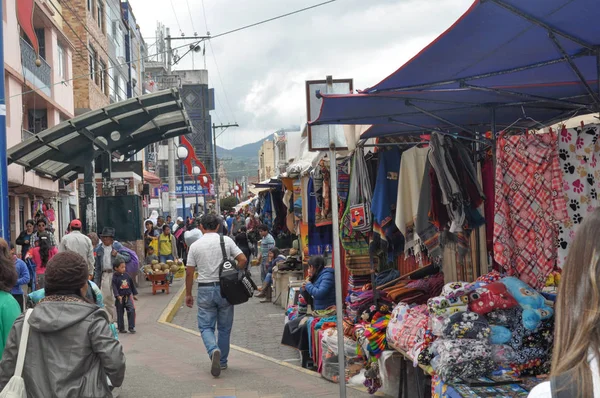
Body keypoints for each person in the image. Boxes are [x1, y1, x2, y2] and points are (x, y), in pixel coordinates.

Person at [0, 252, 126, 396]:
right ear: (84, 286)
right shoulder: (94, 320)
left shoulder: (24, 321)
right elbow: (116, 364)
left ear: (47, 285)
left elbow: (6, 370)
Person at [185, 214, 247, 377]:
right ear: (218, 226)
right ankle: (223, 362)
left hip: (205, 289)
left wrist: (188, 294)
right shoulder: (226, 241)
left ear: (201, 227)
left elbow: (189, 273)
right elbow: (243, 259)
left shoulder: (195, 246)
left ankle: (213, 351)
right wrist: (233, 272)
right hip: (226, 289)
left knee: (206, 326)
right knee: (225, 328)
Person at [94, 227, 131, 323]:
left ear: (111, 239)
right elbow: (97, 268)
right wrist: (96, 283)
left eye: (107, 237)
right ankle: (111, 319)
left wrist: (117, 255)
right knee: (105, 298)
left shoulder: (117, 246)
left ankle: (118, 319)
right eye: (103, 237)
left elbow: (127, 257)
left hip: (116, 275)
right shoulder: (99, 249)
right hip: (105, 275)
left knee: (117, 297)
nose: (105, 239)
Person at [1, 241, 29, 312]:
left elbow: (26, 278)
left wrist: (14, 282)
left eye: (7, 250)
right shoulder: (3, 263)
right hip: (4, 294)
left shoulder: (20, 263)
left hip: (17, 294)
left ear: (12, 250)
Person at [112, 256, 137, 334]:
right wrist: (117, 295)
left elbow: (132, 285)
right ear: (116, 268)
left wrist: (134, 294)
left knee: (131, 309)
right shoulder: (114, 278)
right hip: (120, 298)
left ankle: (131, 327)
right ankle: (121, 328)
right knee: (120, 313)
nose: (124, 269)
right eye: (122, 267)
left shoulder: (127, 276)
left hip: (127, 296)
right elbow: (114, 287)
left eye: (124, 267)